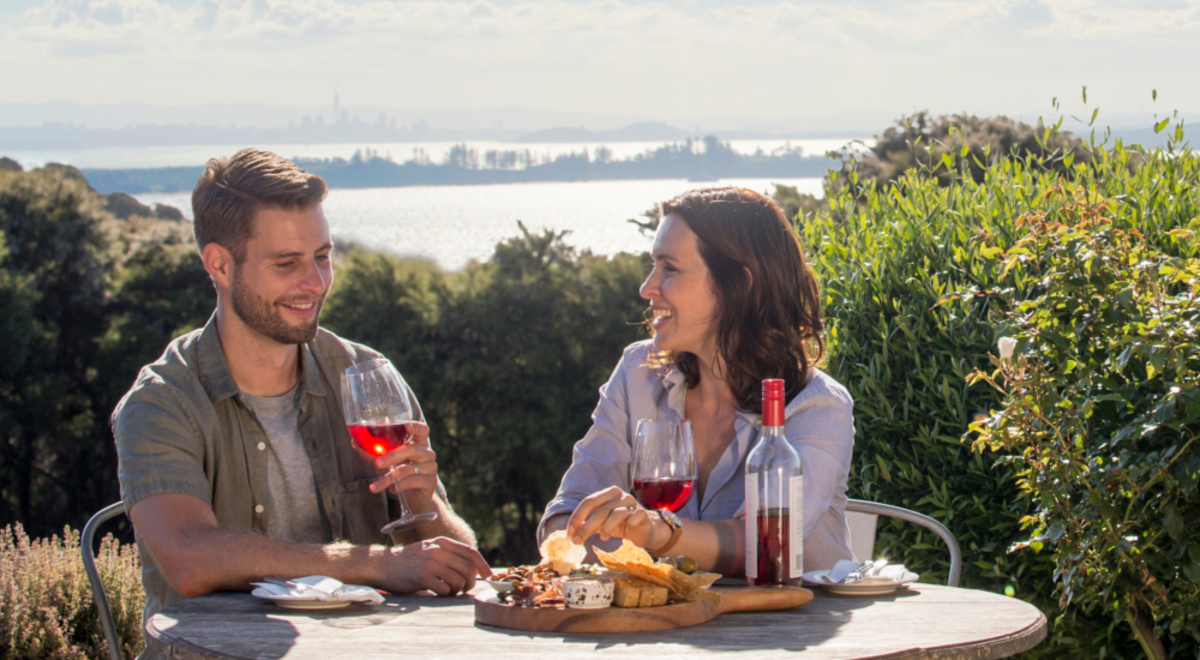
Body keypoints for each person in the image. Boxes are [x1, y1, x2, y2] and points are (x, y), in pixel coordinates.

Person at [112, 149, 490, 643]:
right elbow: (190, 558)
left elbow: (459, 567)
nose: (315, 283)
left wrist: (424, 506)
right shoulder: (162, 403)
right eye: (287, 263)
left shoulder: (364, 376)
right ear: (220, 265)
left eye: (322, 256)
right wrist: (376, 564)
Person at [538, 186, 855, 576]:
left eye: (670, 269)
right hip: (668, 631)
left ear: (740, 283)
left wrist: (657, 533)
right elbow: (566, 516)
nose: (646, 288)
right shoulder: (638, 373)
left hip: (787, 628)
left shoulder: (816, 406)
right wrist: (579, 532)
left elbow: (768, 544)